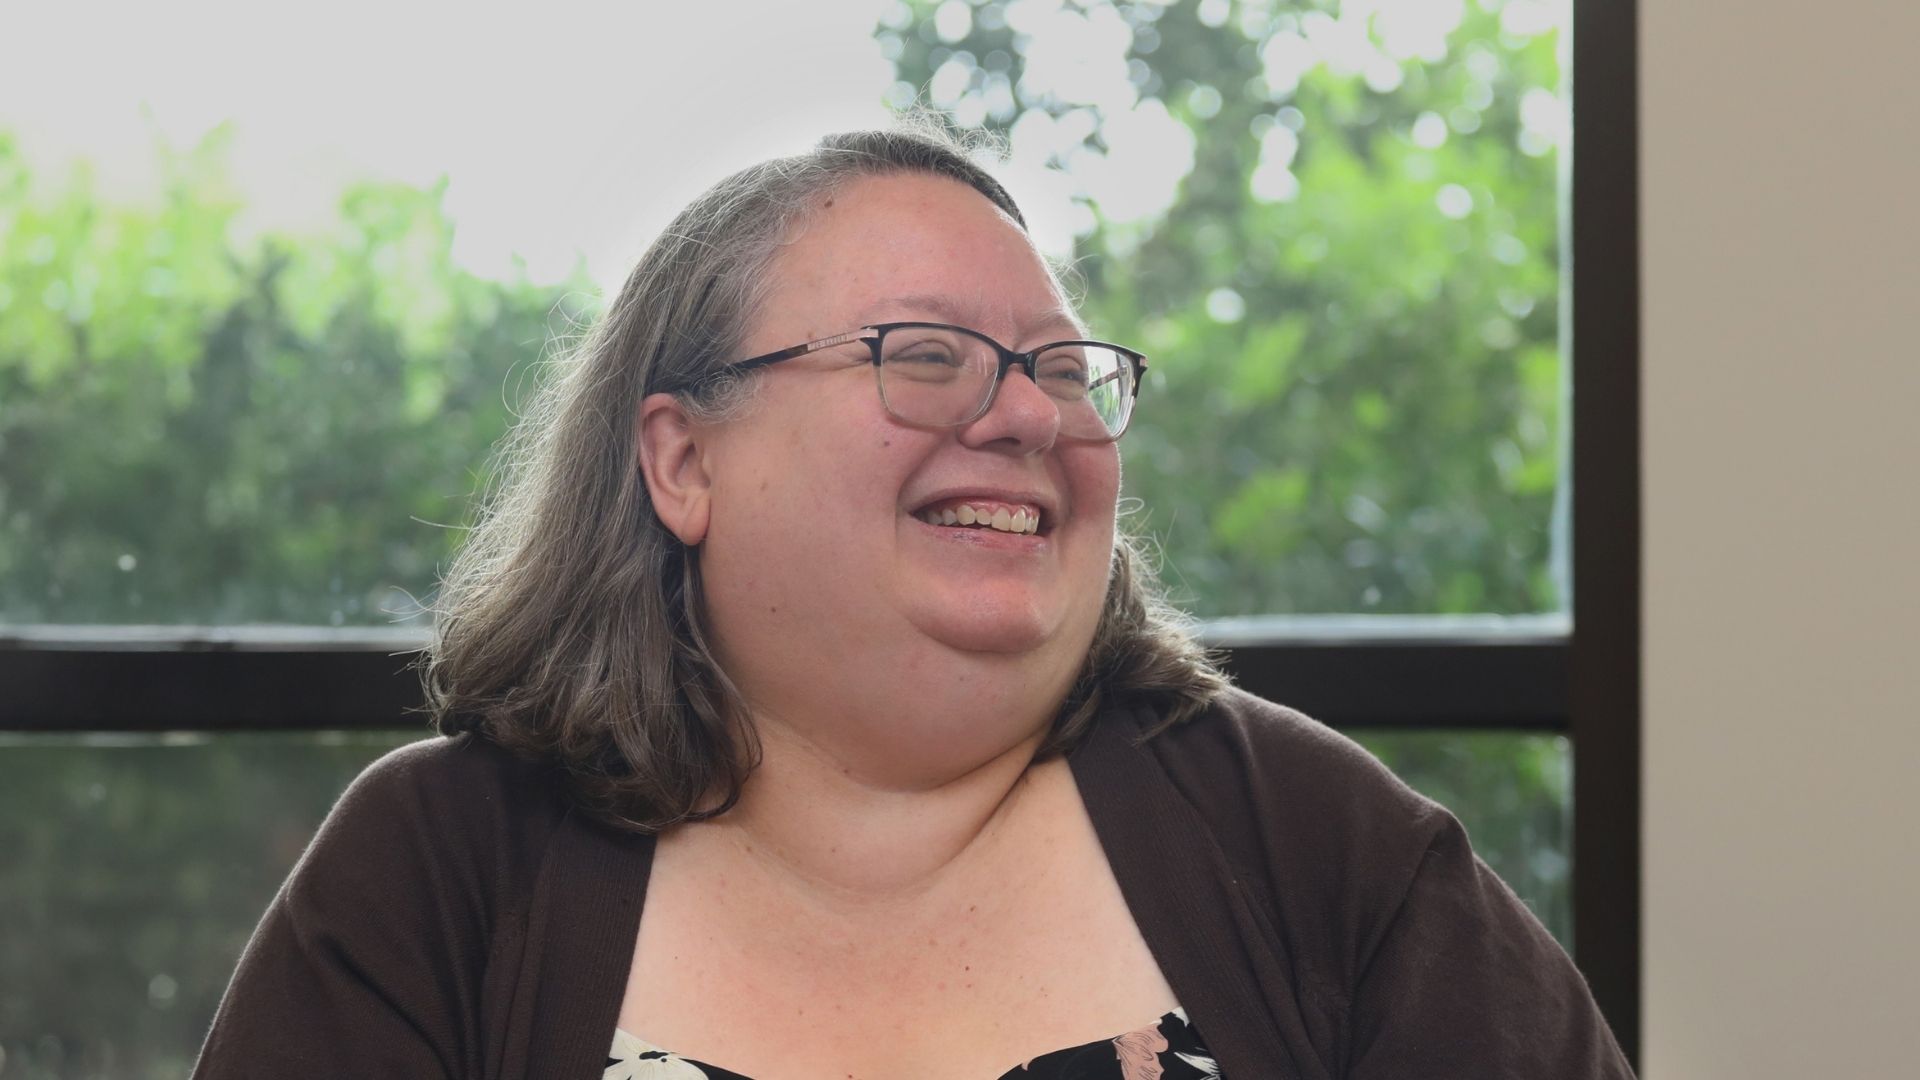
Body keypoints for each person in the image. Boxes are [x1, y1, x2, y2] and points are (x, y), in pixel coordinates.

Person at [190, 123, 1634, 1080]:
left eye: (1064, 370)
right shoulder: (437, 874)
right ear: (682, 460)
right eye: (925, 353)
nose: (1025, 417)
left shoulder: (1317, 842)